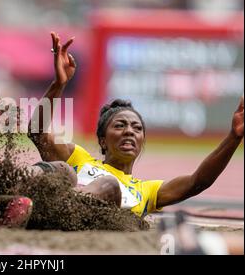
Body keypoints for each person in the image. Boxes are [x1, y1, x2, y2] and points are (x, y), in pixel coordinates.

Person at [27, 32, 244, 218]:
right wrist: (59, 84)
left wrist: (234, 137)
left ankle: (64, 209)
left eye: (137, 128)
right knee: (61, 168)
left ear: (141, 141)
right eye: (120, 126)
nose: (130, 131)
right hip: (47, 208)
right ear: (103, 140)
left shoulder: (147, 191)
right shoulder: (79, 158)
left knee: (110, 185)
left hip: (77, 220)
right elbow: (37, 132)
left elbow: (198, 182)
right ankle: (9, 199)